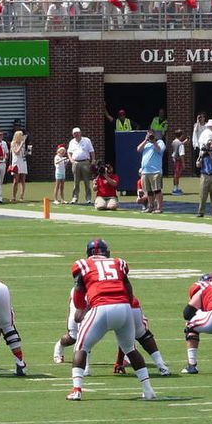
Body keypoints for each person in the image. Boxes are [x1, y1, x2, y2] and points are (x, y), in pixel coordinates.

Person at [67, 239, 156, 401]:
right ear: (106, 252)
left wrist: (81, 308)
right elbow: (128, 286)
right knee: (130, 349)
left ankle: (77, 389)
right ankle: (148, 390)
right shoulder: (118, 263)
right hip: (124, 308)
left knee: (80, 347)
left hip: (101, 307)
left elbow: (79, 289)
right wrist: (127, 304)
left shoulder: (83, 265)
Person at [137, 130, 165, 214]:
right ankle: (151, 206)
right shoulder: (146, 144)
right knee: (148, 191)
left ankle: (159, 207)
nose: (150, 136)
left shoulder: (160, 142)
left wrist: (154, 141)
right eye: (148, 134)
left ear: (155, 135)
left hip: (155, 171)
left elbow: (160, 150)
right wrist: (146, 140)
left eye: (151, 135)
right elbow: (138, 149)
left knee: (157, 190)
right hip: (145, 171)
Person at [67, 127, 94, 205]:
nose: (76, 134)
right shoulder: (72, 142)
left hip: (85, 162)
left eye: (78, 132)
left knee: (87, 181)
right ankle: (75, 198)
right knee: (76, 181)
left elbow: (92, 151)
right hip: (76, 163)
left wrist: (93, 160)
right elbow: (69, 152)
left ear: (80, 133)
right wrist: (71, 160)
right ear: (73, 134)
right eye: (75, 133)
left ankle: (88, 199)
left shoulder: (87, 140)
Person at [196, 138, 212, 218]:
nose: (211, 146)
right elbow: (197, 165)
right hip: (205, 175)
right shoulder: (203, 153)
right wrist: (202, 156)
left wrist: (211, 155)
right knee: (203, 195)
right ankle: (201, 212)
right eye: (210, 144)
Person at [8, 129, 28, 202]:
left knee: (23, 180)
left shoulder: (23, 144)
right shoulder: (13, 143)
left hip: (23, 161)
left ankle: (22, 196)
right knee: (16, 180)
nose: (23, 136)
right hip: (16, 162)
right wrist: (21, 144)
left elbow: (23, 153)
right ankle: (13, 196)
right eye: (21, 135)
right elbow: (16, 152)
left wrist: (27, 152)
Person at [170, 130, 186, 195]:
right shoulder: (180, 144)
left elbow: (177, 147)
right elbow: (181, 154)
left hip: (174, 159)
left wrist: (183, 142)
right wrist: (183, 163)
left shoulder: (174, 142)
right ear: (181, 135)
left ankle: (175, 187)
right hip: (178, 160)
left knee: (175, 174)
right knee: (177, 175)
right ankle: (175, 189)